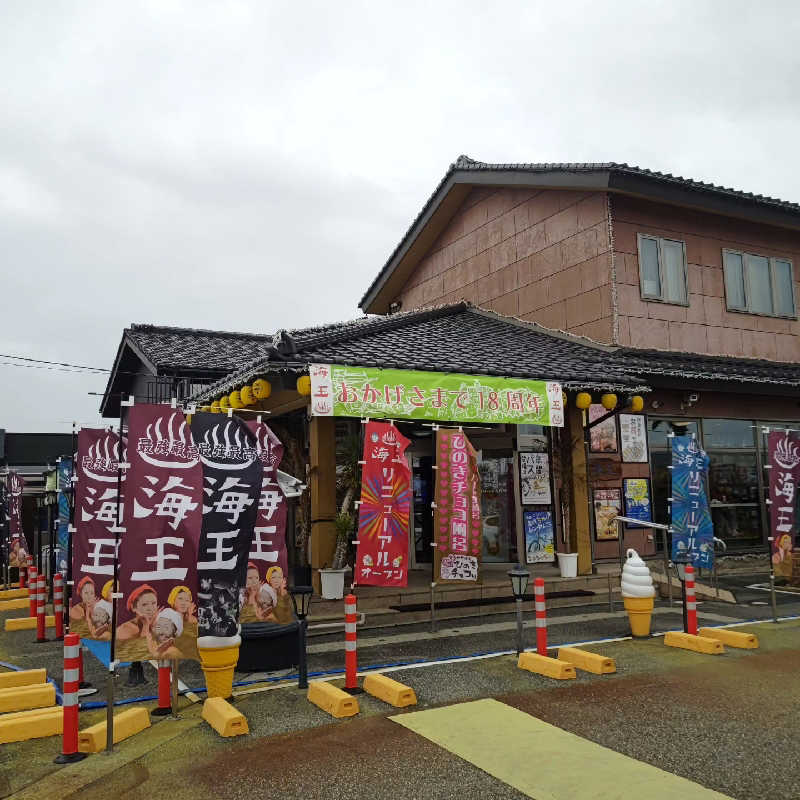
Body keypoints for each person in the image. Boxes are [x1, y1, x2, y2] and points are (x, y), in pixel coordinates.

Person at [115, 584, 158, 661]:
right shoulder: (126, 629)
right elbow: (140, 653)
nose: (150, 608)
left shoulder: (158, 622)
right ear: (134, 607)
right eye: (144, 604)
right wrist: (146, 625)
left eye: (154, 603)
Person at [168, 585, 199, 660]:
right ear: (173, 599)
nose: (183, 603)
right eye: (180, 599)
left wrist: (189, 616)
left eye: (187, 600)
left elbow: (196, 638)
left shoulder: (192, 619)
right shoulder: (168, 618)